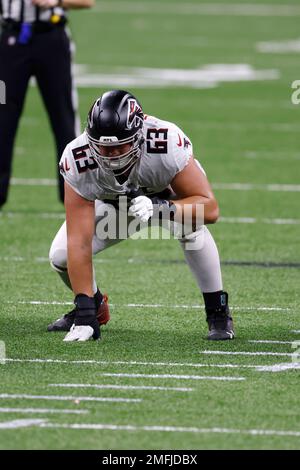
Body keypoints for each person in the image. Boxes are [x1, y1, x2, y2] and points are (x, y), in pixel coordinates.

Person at [48, 89, 235, 342]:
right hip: (115, 207)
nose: (112, 155)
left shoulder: (165, 141)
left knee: (192, 228)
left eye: (119, 146)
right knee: (60, 256)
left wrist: (161, 207)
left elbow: (210, 209)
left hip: (167, 202)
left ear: (138, 136)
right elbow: (78, 240)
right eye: (104, 148)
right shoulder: (78, 157)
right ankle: (94, 305)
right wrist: (85, 313)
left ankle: (218, 312)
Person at [0, 0, 94, 208]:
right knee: (2, 116)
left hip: (52, 41)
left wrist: (57, 1)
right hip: (10, 43)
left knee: (64, 119)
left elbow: (87, 2)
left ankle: (73, 192)